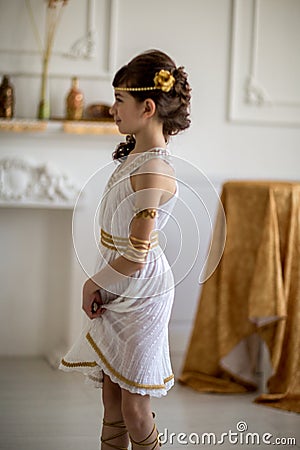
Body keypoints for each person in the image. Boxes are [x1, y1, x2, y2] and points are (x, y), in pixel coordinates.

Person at [59, 49, 191, 450]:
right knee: (111, 399)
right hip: (120, 280)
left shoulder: (153, 169)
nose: (113, 109)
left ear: (147, 106)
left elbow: (136, 256)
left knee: (135, 406)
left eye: (120, 100)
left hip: (141, 291)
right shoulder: (135, 155)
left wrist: (91, 283)